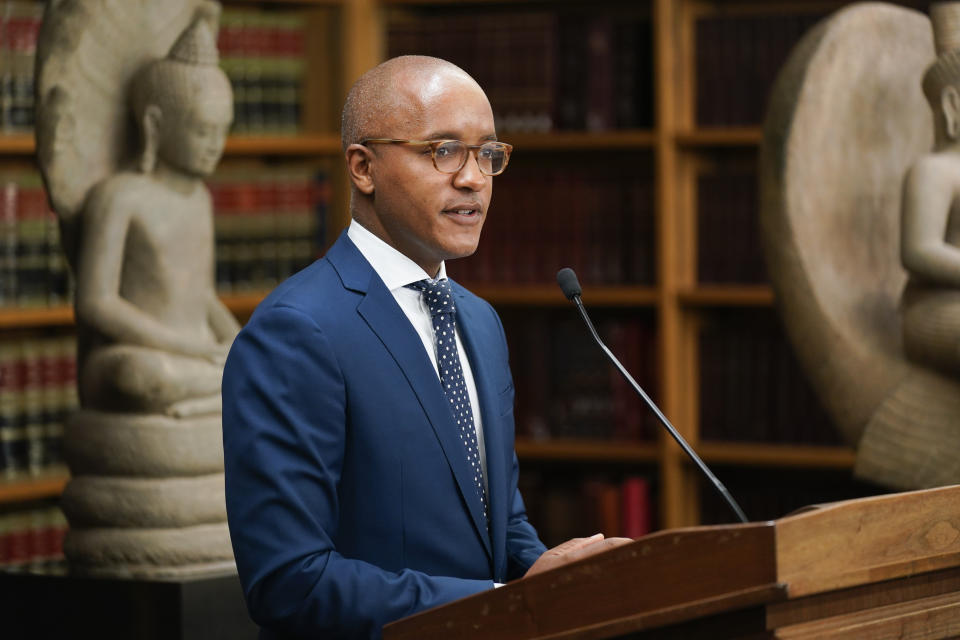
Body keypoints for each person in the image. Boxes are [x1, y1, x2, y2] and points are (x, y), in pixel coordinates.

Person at [222, 55, 630, 640]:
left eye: (489, 154)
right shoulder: (296, 332)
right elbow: (290, 582)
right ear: (363, 167)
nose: (473, 178)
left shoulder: (479, 321)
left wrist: (556, 579)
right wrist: (501, 602)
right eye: (442, 151)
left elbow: (498, 522)